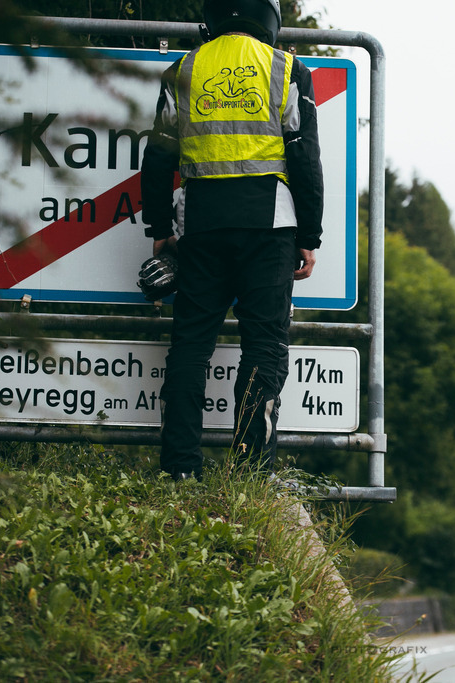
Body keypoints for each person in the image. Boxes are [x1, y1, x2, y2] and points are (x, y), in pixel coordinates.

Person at [140, 0, 324, 481]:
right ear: (270, 19)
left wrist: (161, 230)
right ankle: (248, 474)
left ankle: (180, 470)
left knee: (190, 346)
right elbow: (305, 159)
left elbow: (158, 158)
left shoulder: (183, 69)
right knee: (264, 347)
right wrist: (310, 235)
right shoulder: (287, 69)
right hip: (270, 229)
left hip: (201, 225)